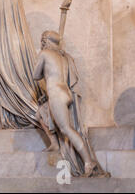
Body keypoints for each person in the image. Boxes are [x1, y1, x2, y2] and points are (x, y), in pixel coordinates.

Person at [33, 31, 97, 176]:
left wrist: (40, 62)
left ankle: (88, 162)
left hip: (56, 94)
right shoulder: (63, 56)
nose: (42, 43)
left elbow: (35, 75)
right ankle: (54, 143)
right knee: (40, 114)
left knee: (66, 129)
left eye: (42, 40)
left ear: (45, 41)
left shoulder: (45, 53)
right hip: (65, 93)